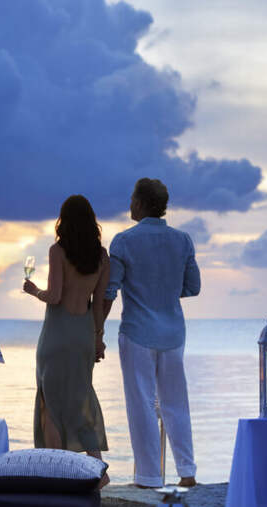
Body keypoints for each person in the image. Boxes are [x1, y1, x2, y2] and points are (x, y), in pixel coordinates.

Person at [103, 178, 200, 488]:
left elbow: (110, 290)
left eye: (133, 199)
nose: (130, 204)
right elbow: (193, 287)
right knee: (176, 403)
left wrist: (96, 329)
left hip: (137, 333)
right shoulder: (183, 240)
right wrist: (165, 290)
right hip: (173, 333)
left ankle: (149, 477)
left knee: (141, 405)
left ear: (141, 203)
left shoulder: (123, 241)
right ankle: (187, 472)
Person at [23, 195, 110, 485]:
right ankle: (98, 470)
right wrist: (98, 340)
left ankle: (59, 472)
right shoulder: (102, 256)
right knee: (81, 401)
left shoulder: (57, 251)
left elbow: (55, 296)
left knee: (50, 404)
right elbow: (98, 306)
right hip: (83, 334)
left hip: (57, 335)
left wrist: (33, 290)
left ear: (64, 221)